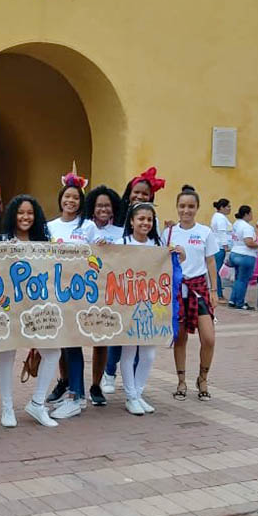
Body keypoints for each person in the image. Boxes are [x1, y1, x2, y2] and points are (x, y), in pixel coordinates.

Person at [0, 193, 61, 428]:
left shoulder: (44, 241)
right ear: (13, 214)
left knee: (53, 352)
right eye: (21, 212)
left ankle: (37, 403)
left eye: (30, 213)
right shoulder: (0, 240)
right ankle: (7, 407)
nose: (25, 217)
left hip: (37, 311)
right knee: (7, 356)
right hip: (9, 310)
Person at [106, 168, 166, 388]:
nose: (139, 197)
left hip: (145, 293)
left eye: (144, 194)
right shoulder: (116, 216)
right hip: (122, 290)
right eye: (136, 192)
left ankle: (134, 387)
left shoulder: (153, 229)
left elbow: (159, 251)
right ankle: (110, 373)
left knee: (143, 345)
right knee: (119, 339)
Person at [45, 169, 89, 420]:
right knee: (61, 345)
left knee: (73, 345)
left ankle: (77, 396)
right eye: (67, 196)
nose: (70, 201)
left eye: (75, 197)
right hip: (55, 292)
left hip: (80, 294)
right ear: (61, 198)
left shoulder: (89, 227)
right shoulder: (50, 226)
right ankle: (72, 391)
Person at [169, 188, 219, 401]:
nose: (186, 210)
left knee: (208, 338)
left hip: (199, 289)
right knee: (179, 338)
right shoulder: (169, 233)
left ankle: (203, 377)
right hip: (178, 290)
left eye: (191, 206)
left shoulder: (205, 232)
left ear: (197, 208)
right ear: (177, 207)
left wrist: (214, 290)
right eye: (182, 206)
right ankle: (181, 380)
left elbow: (210, 261)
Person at [116, 202, 165, 415]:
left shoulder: (159, 244)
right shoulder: (121, 242)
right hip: (127, 304)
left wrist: (178, 254)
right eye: (141, 219)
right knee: (128, 351)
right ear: (132, 221)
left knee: (149, 354)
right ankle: (130, 396)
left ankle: (138, 392)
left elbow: (176, 264)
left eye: (149, 219)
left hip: (151, 304)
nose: (145, 223)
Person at [80, 185, 125, 403]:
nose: (103, 209)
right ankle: (69, 384)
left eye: (107, 205)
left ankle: (96, 386)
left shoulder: (121, 232)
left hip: (108, 292)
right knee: (71, 340)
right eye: (99, 205)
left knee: (101, 340)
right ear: (92, 207)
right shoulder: (83, 228)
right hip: (82, 291)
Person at [227, 205, 258, 311]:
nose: (252, 215)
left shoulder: (236, 224)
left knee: (238, 279)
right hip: (245, 255)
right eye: (251, 213)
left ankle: (233, 300)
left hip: (235, 253)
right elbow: (248, 242)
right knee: (243, 280)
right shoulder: (247, 227)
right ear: (246, 214)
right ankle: (240, 303)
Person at [209, 199, 233, 304]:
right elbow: (222, 232)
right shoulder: (221, 218)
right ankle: (218, 293)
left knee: (216, 270)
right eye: (228, 206)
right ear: (222, 207)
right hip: (220, 247)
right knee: (217, 271)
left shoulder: (217, 216)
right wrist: (226, 246)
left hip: (217, 246)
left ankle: (218, 292)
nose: (230, 209)